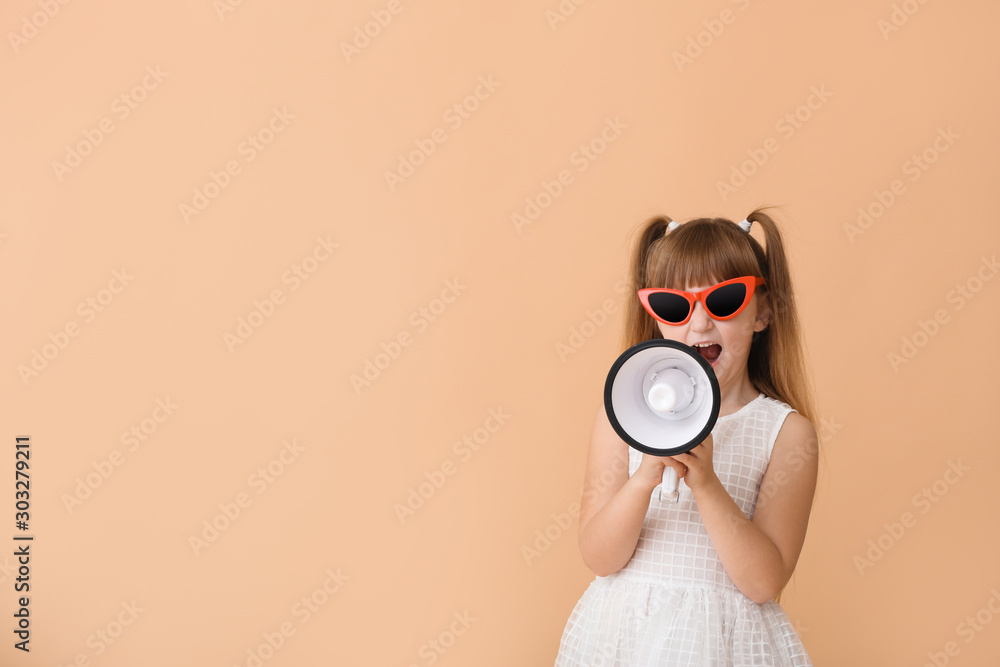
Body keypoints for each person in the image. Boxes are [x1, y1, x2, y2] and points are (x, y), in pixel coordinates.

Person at [554, 209, 821, 666]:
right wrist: (643, 479)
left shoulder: (785, 433)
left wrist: (706, 482)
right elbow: (599, 557)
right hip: (622, 636)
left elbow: (762, 583)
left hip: (724, 645)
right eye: (676, 306)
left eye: (724, 302)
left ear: (764, 311)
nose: (698, 325)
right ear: (655, 315)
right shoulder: (621, 417)